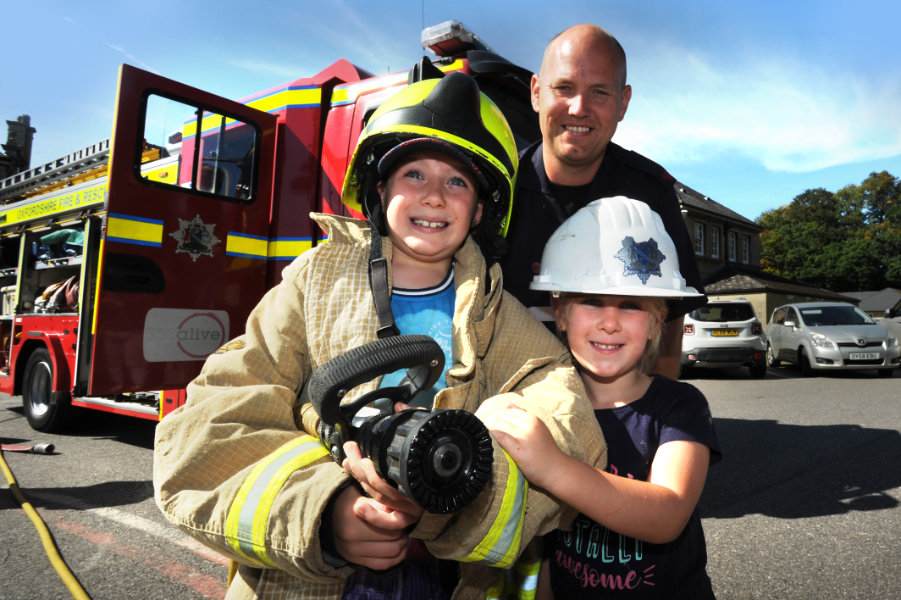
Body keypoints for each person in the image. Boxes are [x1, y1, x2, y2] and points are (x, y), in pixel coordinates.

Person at [153, 72, 606, 600]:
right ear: (379, 189)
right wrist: (327, 513)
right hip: (306, 578)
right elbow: (214, 423)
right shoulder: (314, 283)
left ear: (482, 210)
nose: (435, 196)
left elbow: (567, 423)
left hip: (438, 576)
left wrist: (450, 494)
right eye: (414, 173)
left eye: (458, 181)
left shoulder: (497, 314)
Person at [484, 196, 722, 599]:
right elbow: (546, 542)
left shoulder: (679, 408)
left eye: (630, 306)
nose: (609, 323)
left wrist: (553, 467)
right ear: (560, 314)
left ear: (656, 322)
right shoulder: (545, 405)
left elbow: (667, 516)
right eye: (591, 301)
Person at [501, 23, 706, 379]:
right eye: (564, 88)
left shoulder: (651, 195)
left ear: (623, 102)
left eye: (599, 92)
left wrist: (655, 418)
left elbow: (670, 322)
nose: (579, 108)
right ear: (536, 93)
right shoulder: (498, 191)